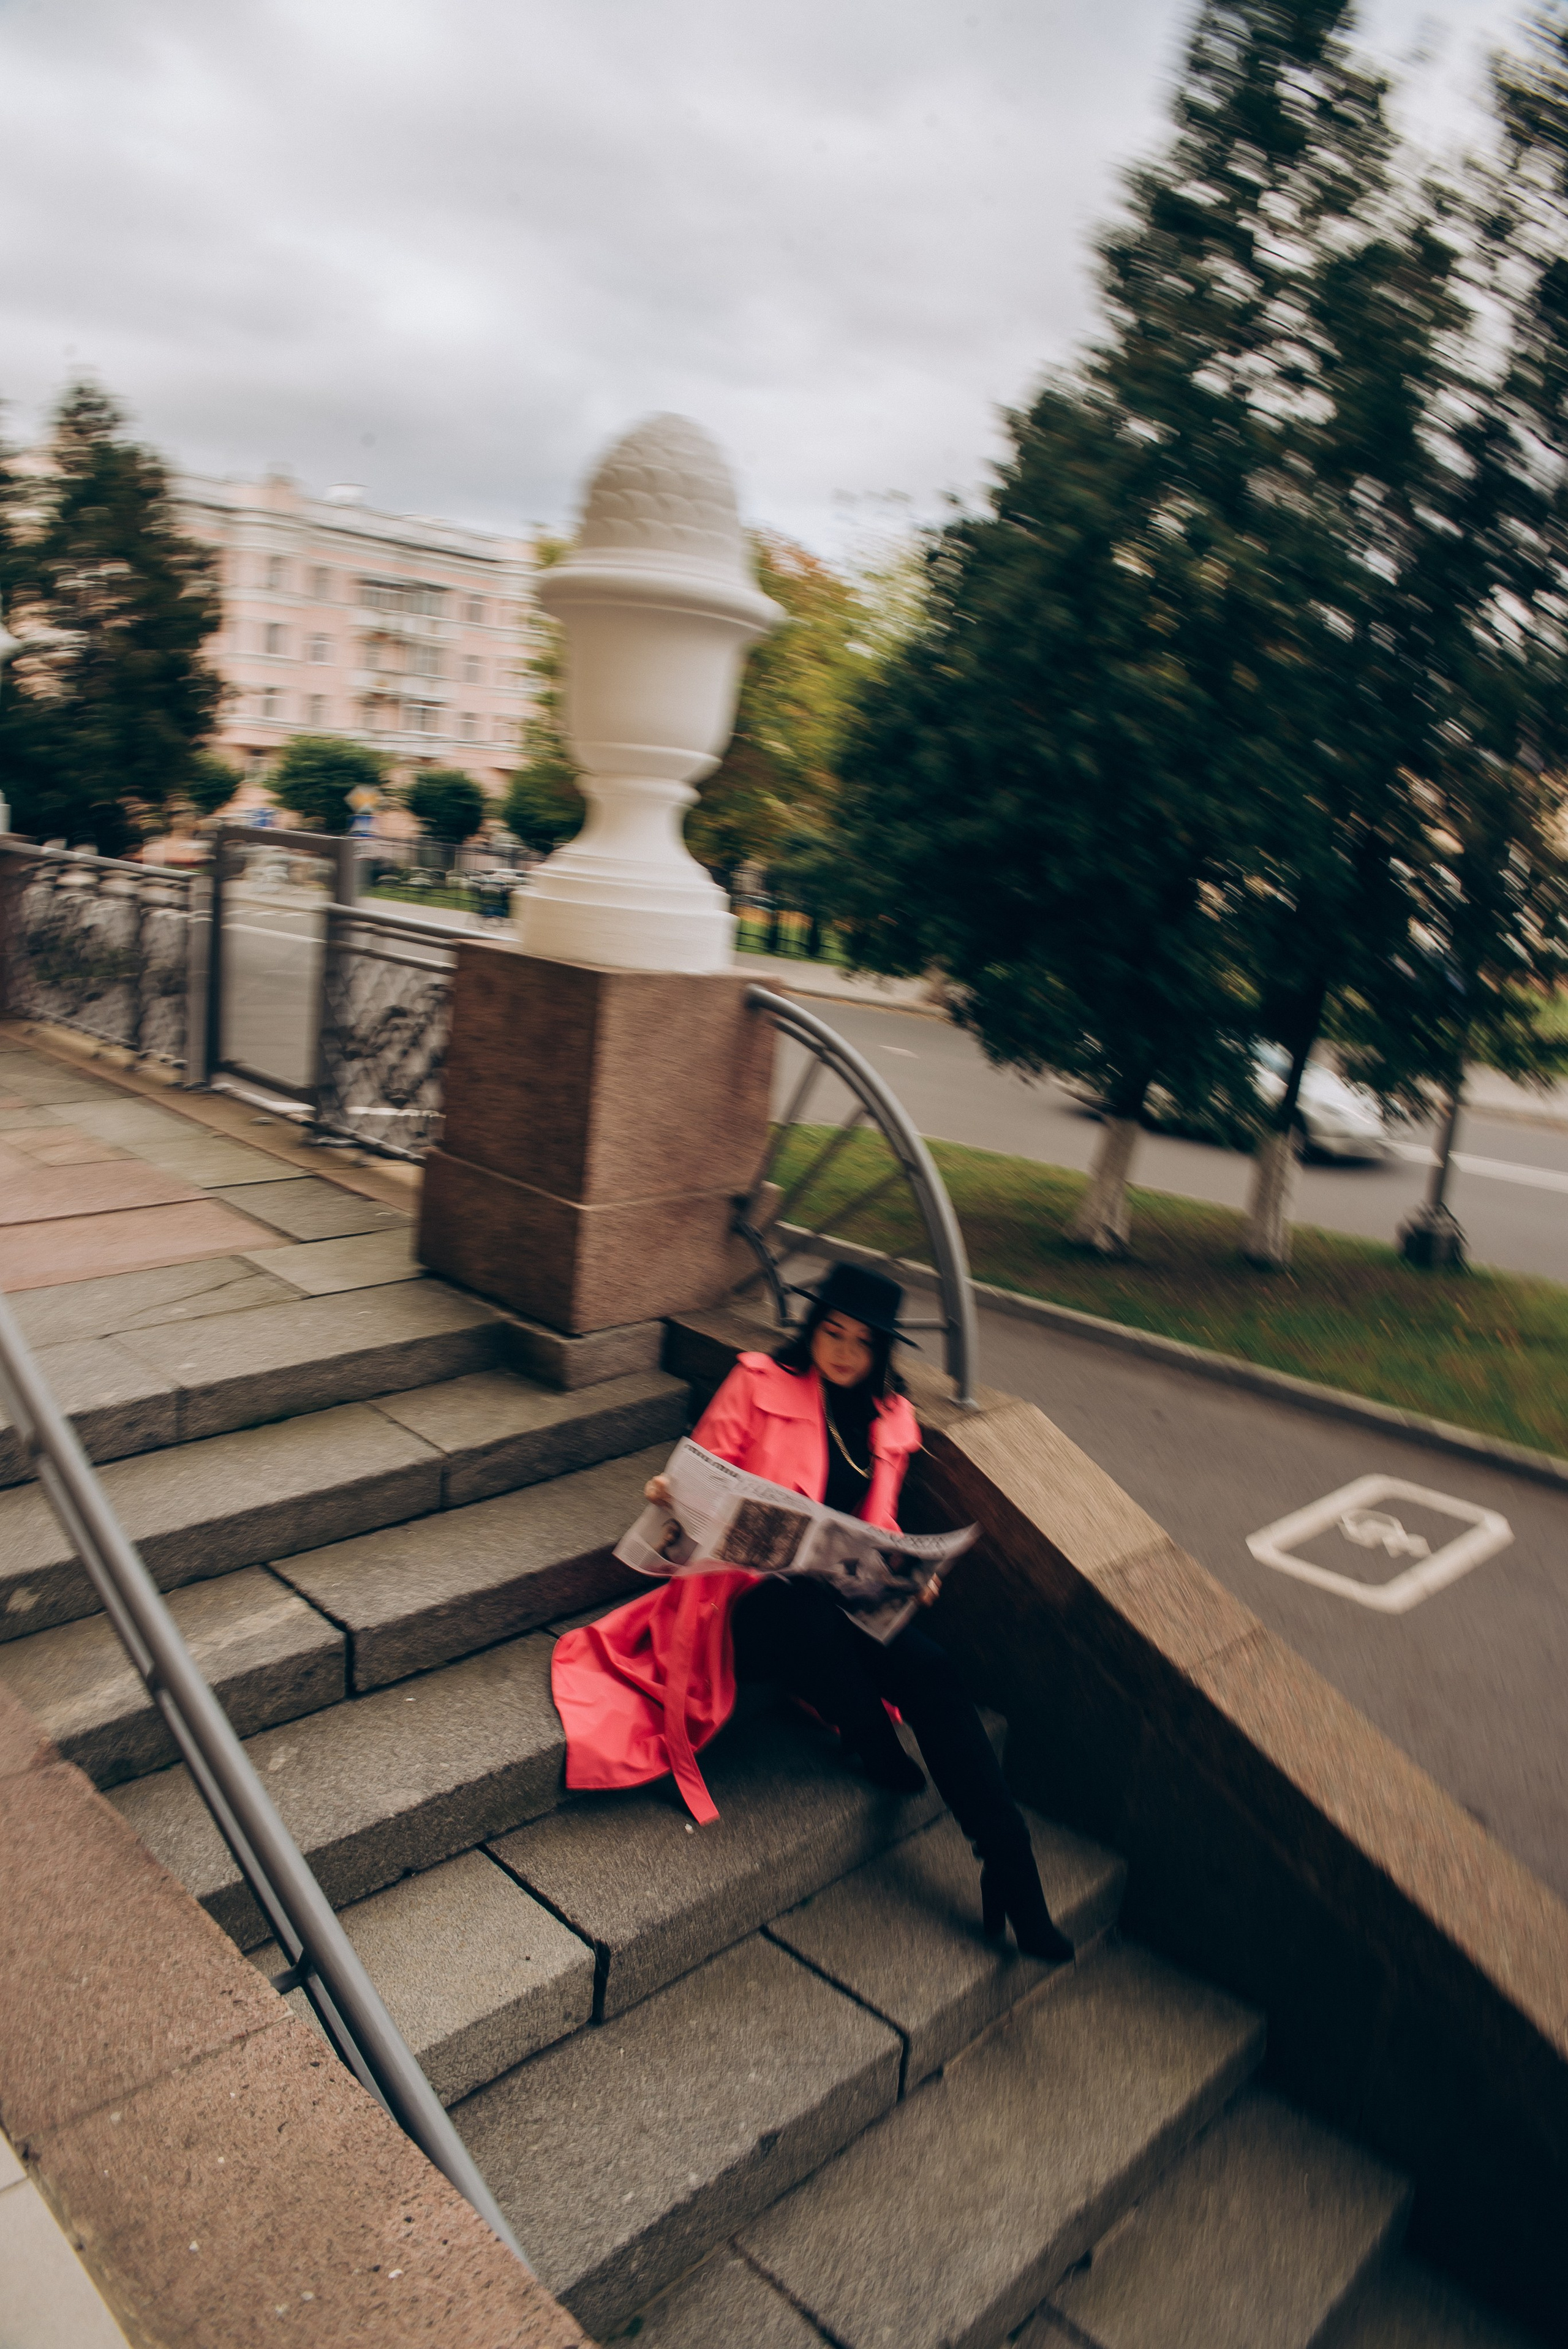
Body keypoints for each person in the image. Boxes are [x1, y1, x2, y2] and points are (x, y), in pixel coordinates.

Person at [550, 1260, 1073, 1963]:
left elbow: (879, 1526)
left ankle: (1011, 1875)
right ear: (813, 1326)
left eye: (863, 1341)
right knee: (807, 1619)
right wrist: (667, 1493)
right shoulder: (760, 1382)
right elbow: (701, 1472)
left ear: (882, 1351)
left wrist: (908, 1580)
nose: (845, 1351)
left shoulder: (890, 1419)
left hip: (838, 1600)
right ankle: (869, 1737)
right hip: (745, 1607)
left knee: (934, 1671)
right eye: (833, 1332)